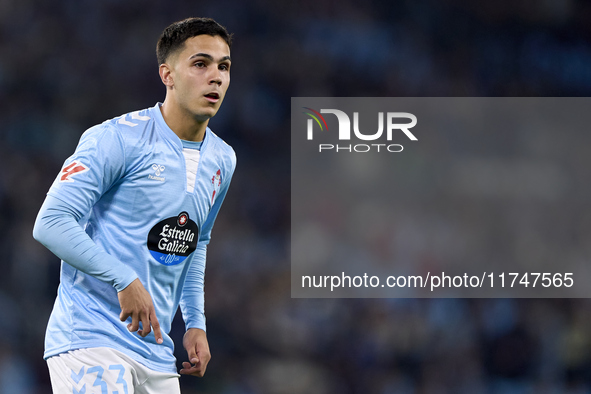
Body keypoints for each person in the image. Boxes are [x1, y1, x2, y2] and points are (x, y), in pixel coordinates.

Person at [32, 17, 236, 393]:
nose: (216, 77)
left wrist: (195, 322)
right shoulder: (116, 139)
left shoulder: (222, 159)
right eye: (200, 64)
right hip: (91, 337)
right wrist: (122, 277)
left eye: (223, 66)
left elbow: (195, 242)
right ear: (167, 74)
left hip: (155, 350)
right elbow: (51, 222)